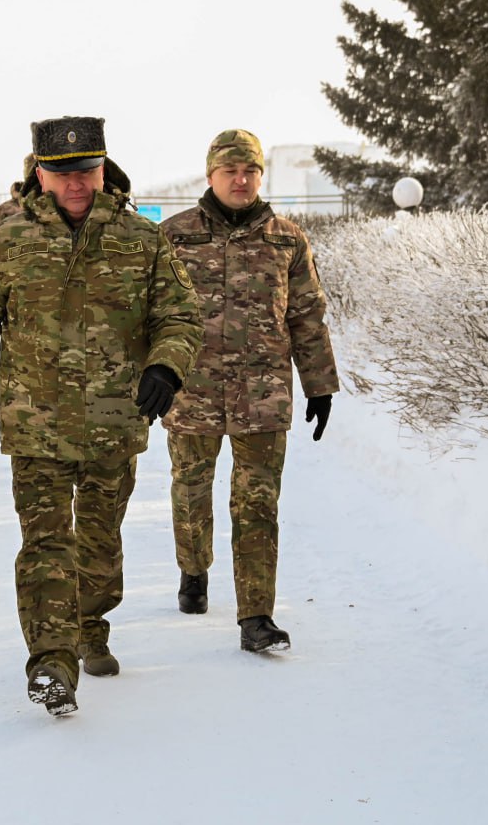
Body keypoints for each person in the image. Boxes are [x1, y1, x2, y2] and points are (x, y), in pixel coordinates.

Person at [0, 116, 202, 716]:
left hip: (115, 413)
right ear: (39, 174)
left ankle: (91, 626)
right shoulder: (7, 242)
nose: (77, 186)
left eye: (86, 172)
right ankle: (51, 662)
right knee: (44, 543)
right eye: (62, 175)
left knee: (99, 542)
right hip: (35, 419)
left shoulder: (142, 239)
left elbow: (180, 316)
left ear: (104, 169)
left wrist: (165, 366)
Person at [159, 129, 339, 653]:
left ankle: (255, 616)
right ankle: (194, 569)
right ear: (210, 175)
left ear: (261, 176)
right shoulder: (174, 236)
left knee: (257, 504)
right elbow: (146, 314)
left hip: (262, 394)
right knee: (191, 494)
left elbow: (307, 315)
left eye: (250, 171)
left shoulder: (287, 238)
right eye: (230, 171)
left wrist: (319, 385)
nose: (241, 180)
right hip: (190, 391)